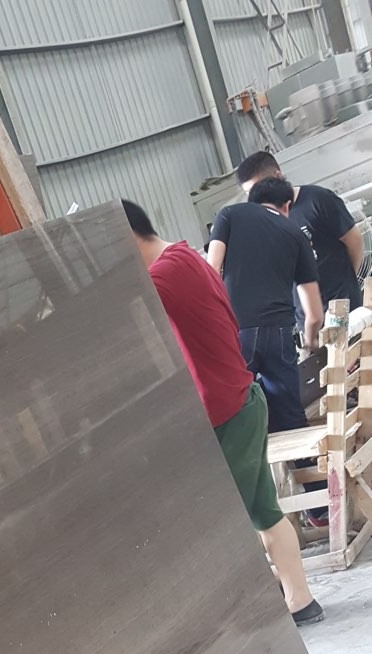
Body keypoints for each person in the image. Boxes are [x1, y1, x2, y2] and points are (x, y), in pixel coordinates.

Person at [122, 200, 323, 626]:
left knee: (234, 521)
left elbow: (114, 315)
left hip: (227, 409)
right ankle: (295, 597)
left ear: (126, 238)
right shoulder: (183, 256)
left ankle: (285, 603)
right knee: (260, 512)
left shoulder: (162, 276)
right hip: (237, 400)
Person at [208, 178, 323, 432]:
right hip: (280, 333)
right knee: (291, 417)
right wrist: (310, 343)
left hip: (238, 330)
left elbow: (211, 272)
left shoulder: (229, 214)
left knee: (237, 413)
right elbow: (314, 313)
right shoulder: (296, 233)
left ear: (252, 200)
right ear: (287, 205)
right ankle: (302, 455)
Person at [236, 149, 364, 316]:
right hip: (304, 315)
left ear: (278, 176)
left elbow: (354, 240)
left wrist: (346, 283)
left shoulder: (318, 200)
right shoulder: (263, 220)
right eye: (249, 193)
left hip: (343, 306)